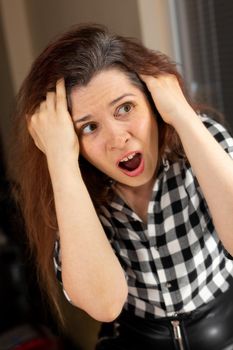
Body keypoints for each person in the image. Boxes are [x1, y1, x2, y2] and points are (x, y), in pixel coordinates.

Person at [11, 24, 233, 350]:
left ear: (153, 100)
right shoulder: (71, 190)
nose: (117, 138)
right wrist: (59, 159)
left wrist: (183, 114)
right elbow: (104, 305)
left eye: (126, 108)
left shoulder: (203, 138)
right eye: (89, 127)